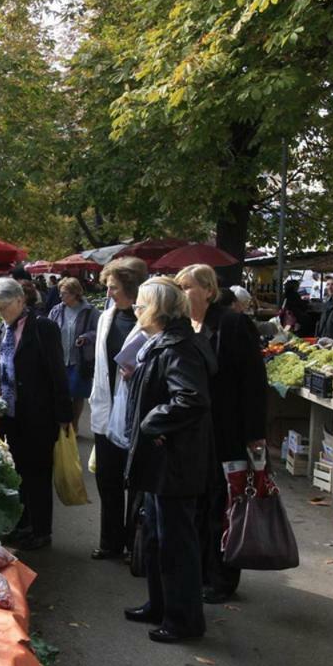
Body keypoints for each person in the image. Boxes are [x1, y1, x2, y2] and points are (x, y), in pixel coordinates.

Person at [123, 277, 215, 643]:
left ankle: (183, 619)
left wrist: (150, 421)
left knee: (176, 542)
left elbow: (191, 398)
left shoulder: (178, 347)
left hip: (175, 461)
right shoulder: (167, 343)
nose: (136, 311)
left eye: (141, 305)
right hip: (165, 459)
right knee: (160, 538)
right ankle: (160, 605)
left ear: (158, 309)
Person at [176, 264, 267, 604]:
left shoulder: (231, 323)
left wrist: (255, 432)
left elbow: (253, 381)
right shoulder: (186, 326)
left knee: (223, 504)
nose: (182, 292)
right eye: (179, 286)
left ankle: (222, 577)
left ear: (208, 291)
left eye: (187, 286)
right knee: (200, 502)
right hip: (197, 431)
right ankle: (200, 570)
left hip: (227, 428)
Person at [0, 277, 71, 551]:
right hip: (10, 414)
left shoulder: (43, 328)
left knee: (38, 473)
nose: (1, 314)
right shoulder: (2, 329)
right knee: (18, 472)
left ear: (20, 301)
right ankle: (23, 525)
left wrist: (64, 415)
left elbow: (57, 372)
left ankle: (41, 530)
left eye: (5, 308)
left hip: (38, 413)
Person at [88, 257, 148, 560]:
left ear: (130, 287)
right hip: (106, 407)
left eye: (113, 287)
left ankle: (133, 544)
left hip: (137, 412)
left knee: (136, 481)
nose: (108, 293)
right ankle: (110, 541)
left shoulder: (149, 320)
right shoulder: (105, 318)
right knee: (108, 479)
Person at [48, 277, 101, 428]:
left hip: (80, 359)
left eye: (64, 293)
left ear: (75, 294)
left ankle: (74, 424)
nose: (60, 296)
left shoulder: (90, 311)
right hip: (59, 358)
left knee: (77, 394)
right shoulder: (57, 310)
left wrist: (87, 337)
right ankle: (61, 424)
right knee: (61, 393)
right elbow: (48, 330)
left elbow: (99, 331)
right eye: (60, 293)